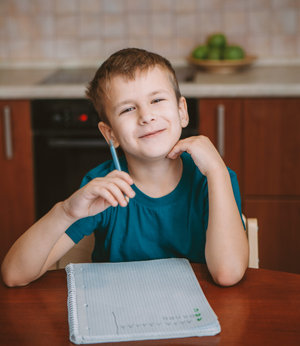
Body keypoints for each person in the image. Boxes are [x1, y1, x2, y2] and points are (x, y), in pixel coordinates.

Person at [1, 48, 248, 287]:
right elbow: (14, 275)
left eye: (157, 100)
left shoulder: (213, 179)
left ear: (182, 111)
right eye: (128, 108)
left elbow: (227, 273)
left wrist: (217, 171)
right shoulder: (104, 189)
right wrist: (66, 212)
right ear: (110, 133)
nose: (146, 116)